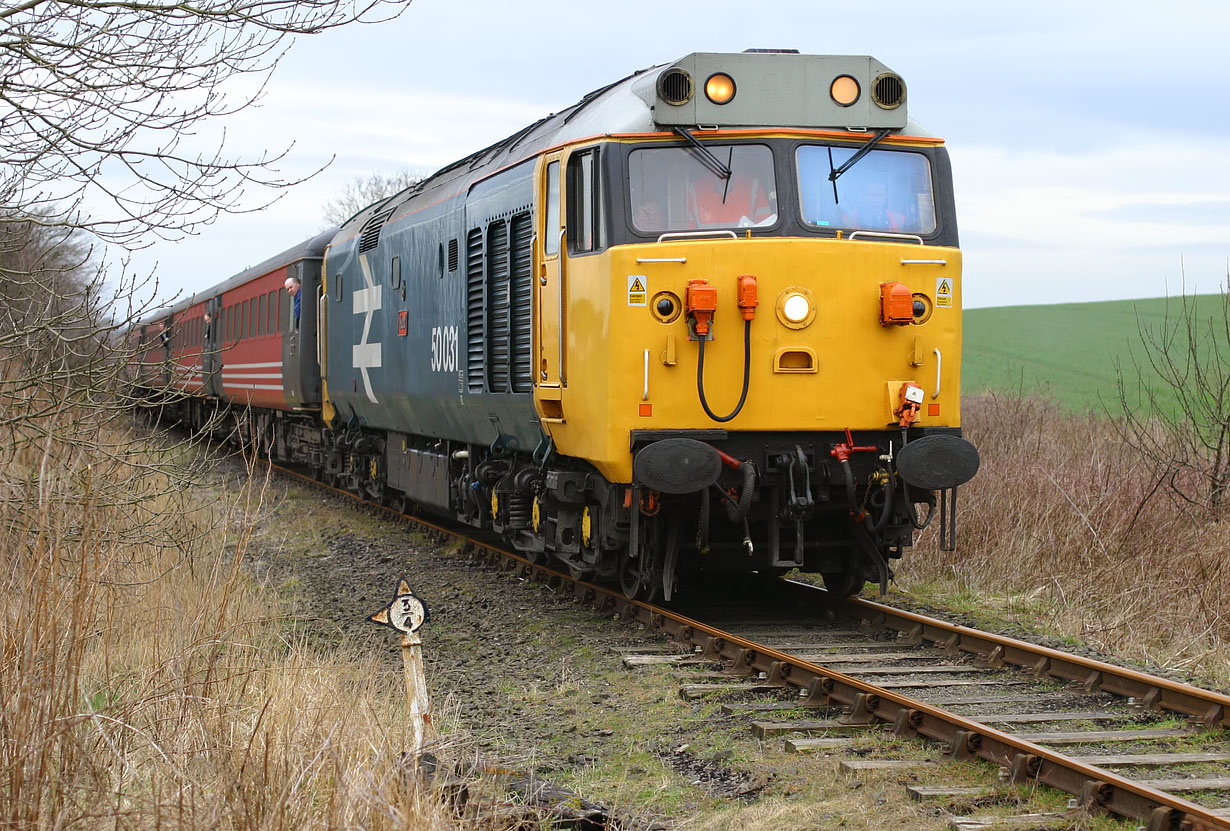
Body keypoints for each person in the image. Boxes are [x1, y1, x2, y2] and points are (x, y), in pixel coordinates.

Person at [689, 172, 773, 227]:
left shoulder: (753, 185)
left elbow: (766, 226)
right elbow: (687, 234)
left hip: (745, 250)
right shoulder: (694, 188)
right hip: (704, 251)